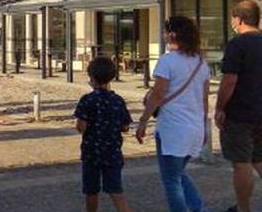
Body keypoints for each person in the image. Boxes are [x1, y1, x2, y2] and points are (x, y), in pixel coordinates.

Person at [135, 16, 211, 212]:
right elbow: (204, 101)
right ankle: (199, 208)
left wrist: (143, 121)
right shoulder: (201, 63)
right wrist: (204, 128)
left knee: (171, 181)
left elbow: (158, 94)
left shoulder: (167, 61)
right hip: (194, 128)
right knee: (178, 174)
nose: (163, 35)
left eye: (165, 31)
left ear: (172, 34)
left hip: (172, 129)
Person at [216, 0, 262, 212]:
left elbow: (229, 80)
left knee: (241, 162)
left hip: (240, 113)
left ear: (240, 19)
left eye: (233, 19)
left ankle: (244, 209)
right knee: (259, 158)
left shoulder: (237, 44)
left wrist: (219, 107)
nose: (232, 23)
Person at [74, 57, 133, 212]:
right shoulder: (118, 100)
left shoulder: (87, 100)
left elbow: (81, 126)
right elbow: (125, 126)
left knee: (91, 190)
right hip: (113, 152)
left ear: (91, 77)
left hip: (91, 152)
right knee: (116, 190)